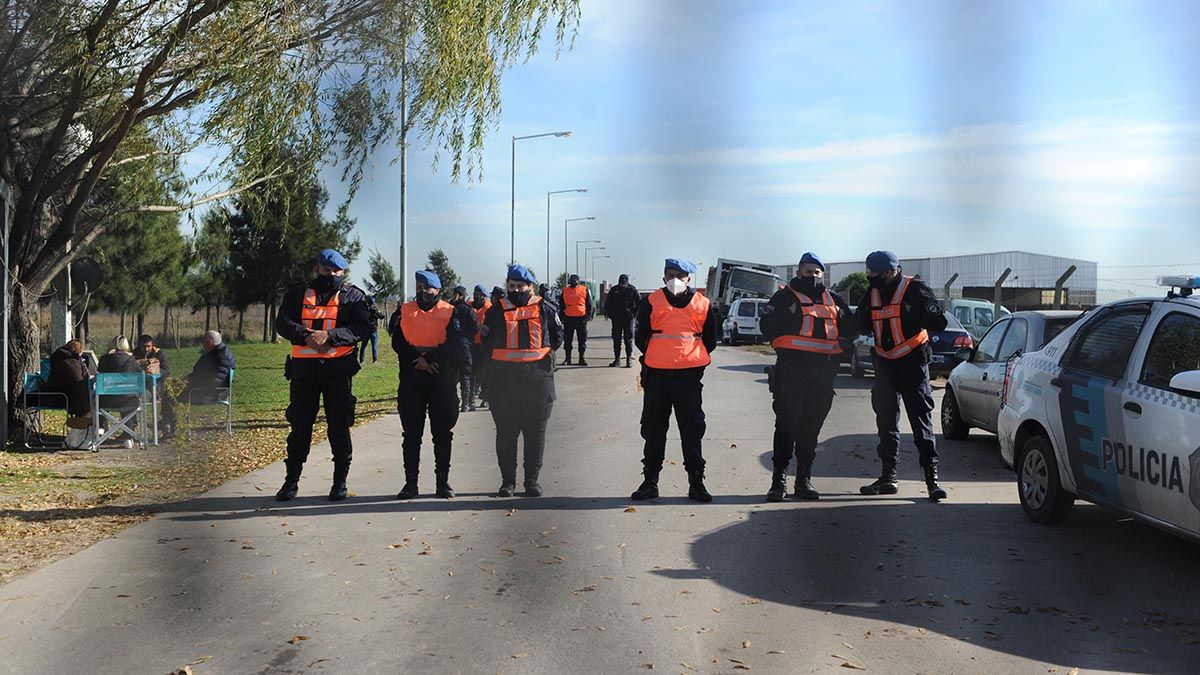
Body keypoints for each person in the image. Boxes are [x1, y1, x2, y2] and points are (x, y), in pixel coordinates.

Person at [274, 249, 372, 502]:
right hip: (304, 372)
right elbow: (282, 322)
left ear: (343, 272)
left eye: (336, 272)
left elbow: (361, 327)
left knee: (339, 428)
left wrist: (329, 336)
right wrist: (306, 335)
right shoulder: (298, 292)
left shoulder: (353, 296)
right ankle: (291, 482)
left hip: (337, 372)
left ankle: (340, 483)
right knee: (300, 428)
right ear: (318, 268)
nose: (331, 275)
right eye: (326, 271)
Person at [759, 252, 858, 501]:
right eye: (807, 271)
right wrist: (789, 313)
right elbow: (766, 327)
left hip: (822, 375)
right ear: (798, 272)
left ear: (822, 274)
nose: (812, 276)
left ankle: (804, 479)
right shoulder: (784, 296)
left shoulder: (833, 299)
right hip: (791, 372)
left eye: (817, 272)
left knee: (810, 428)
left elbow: (853, 328)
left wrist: (846, 344)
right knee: (786, 426)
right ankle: (778, 480)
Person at [855, 250, 949, 502]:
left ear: (889, 271)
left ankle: (932, 481)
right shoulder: (872, 293)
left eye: (873, 274)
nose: (869, 278)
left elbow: (940, 322)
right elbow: (859, 323)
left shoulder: (914, 289)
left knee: (921, 421)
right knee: (885, 422)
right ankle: (888, 478)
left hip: (912, 364)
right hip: (884, 365)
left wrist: (923, 313)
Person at [630, 258, 719, 503]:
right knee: (653, 430)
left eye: (680, 275)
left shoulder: (703, 304)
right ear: (663, 277)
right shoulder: (649, 302)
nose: (675, 280)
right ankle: (650, 482)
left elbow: (710, 340)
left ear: (690, 279)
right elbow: (641, 337)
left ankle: (696, 483)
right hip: (657, 377)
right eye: (670, 274)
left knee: (692, 431)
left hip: (688, 379)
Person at [390, 271, 476, 499]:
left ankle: (442, 482)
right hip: (411, 374)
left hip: (441, 375)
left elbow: (456, 343)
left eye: (427, 287)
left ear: (437, 290)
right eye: (419, 286)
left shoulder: (450, 311)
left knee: (442, 432)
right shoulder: (405, 310)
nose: (422, 291)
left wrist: (430, 359)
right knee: (411, 433)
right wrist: (416, 359)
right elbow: (397, 341)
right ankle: (410, 484)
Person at [483, 265, 563, 497]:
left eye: (520, 286)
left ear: (531, 286)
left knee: (535, 432)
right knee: (506, 433)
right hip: (503, 381)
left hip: (537, 379)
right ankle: (507, 482)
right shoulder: (496, 310)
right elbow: (486, 343)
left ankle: (531, 482)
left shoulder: (545, 308)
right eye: (511, 286)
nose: (516, 290)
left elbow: (557, 337)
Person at [133, 334, 176, 438]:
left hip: (158, 384)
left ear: (153, 345)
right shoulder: (134, 354)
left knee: (168, 394)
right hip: (141, 386)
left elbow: (166, 370)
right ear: (139, 346)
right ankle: (131, 428)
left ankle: (168, 425)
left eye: (148, 346)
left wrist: (155, 372)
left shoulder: (159, 354)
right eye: (143, 346)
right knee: (132, 398)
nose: (146, 349)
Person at [181, 330, 236, 405]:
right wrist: (184, 380)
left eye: (203, 343)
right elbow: (199, 372)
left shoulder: (222, 357)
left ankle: (170, 417)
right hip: (205, 389)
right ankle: (172, 416)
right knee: (172, 393)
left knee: (173, 397)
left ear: (209, 343)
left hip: (213, 393)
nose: (202, 345)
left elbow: (216, 381)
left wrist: (192, 383)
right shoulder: (212, 353)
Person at [44, 339, 91, 420]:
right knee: (91, 403)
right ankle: (86, 428)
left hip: (57, 394)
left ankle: (89, 428)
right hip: (62, 397)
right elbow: (78, 383)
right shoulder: (70, 362)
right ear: (78, 351)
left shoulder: (61, 358)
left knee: (89, 401)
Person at [97, 336, 143, 411]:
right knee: (126, 394)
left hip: (107, 400)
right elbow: (140, 375)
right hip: (129, 400)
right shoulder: (132, 360)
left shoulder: (104, 359)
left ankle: (100, 422)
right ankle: (129, 422)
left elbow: (100, 374)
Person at [604, 273, 640, 368]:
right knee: (616, 339)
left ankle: (628, 360)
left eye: (624, 283)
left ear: (627, 282)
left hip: (628, 318)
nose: (623, 284)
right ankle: (617, 359)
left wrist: (634, 315)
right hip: (616, 318)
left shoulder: (632, 289)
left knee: (628, 339)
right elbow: (608, 303)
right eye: (621, 283)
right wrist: (609, 314)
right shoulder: (614, 290)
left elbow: (638, 303)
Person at [449, 285, 475, 412]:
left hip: (451, 347)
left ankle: (452, 401)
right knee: (466, 376)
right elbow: (475, 327)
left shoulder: (448, 308)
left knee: (452, 376)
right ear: (464, 295)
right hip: (465, 347)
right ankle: (465, 404)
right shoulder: (468, 309)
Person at [559, 273, 594, 366]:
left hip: (581, 318)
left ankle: (581, 358)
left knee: (582, 340)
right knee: (567, 340)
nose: (573, 283)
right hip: (568, 318)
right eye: (572, 281)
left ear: (578, 281)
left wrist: (588, 316)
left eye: (575, 281)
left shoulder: (584, 289)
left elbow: (589, 304)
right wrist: (561, 317)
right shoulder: (565, 290)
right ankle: (568, 358)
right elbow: (561, 305)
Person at [468, 285, 493, 410]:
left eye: (480, 295)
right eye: (475, 294)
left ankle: (486, 398)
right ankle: (470, 399)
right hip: (470, 345)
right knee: (471, 373)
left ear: (484, 297)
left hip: (484, 346)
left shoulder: (489, 308)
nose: (477, 297)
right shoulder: (468, 306)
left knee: (484, 373)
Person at [358, 295, 384, 364]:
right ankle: (375, 360)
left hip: (366, 330)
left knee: (363, 346)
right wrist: (376, 312)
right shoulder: (374, 310)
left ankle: (362, 360)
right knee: (374, 346)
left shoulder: (365, 309)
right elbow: (382, 316)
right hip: (373, 330)